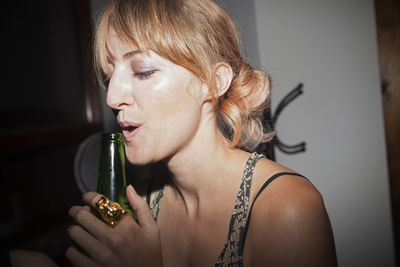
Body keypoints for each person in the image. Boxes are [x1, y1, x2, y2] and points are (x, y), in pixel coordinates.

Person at [66, 0, 337, 266]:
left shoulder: (287, 209)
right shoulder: (137, 207)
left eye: (143, 72)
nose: (112, 98)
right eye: (107, 78)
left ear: (213, 83)